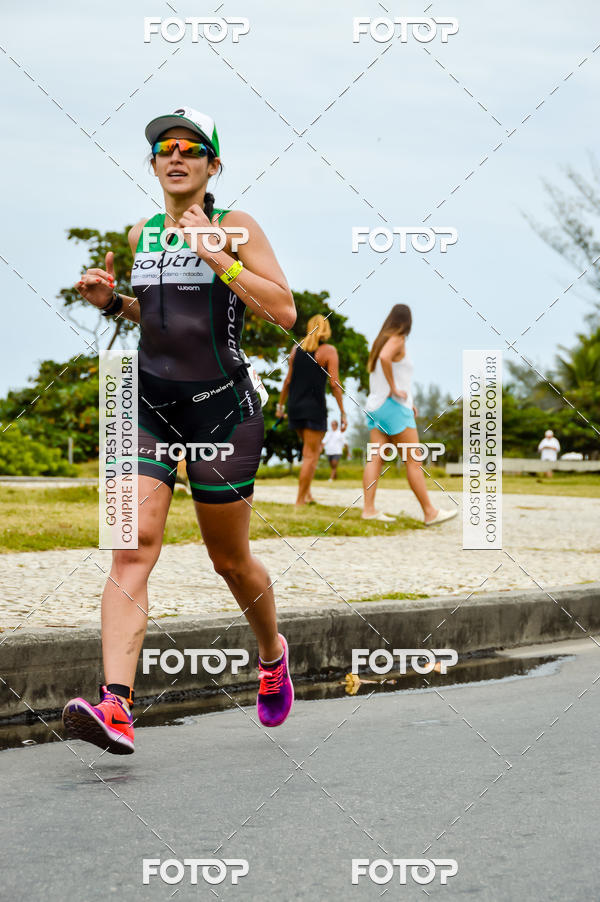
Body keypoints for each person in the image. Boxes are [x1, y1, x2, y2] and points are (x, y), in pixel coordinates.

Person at [62, 106, 296, 754]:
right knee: (131, 544)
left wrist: (219, 257)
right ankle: (116, 705)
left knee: (230, 561)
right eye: (164, 146)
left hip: (223, 408)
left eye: (191, 147)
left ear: (212, 165)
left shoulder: (235, 226)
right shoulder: (142, 232)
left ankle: (272, 655)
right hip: (146, 405)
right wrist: (112, 303)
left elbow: (282, 309)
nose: (175, 155)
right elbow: (163, 323)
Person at [362, 304, 457, 525]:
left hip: (377, 407)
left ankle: (368, 510)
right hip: (394, 407)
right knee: (414, 461)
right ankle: (430, 512)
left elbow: (386, 366)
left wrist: (407, 400)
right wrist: (396, 391)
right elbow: (387, 359)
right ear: (407, 321)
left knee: (375, 459)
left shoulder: (380, 340)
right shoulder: (397, 339)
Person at [277, 315, 347, 505]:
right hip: (314, 409)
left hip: (295, 407)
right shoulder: (328, 351)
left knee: (311, 453)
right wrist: (342, 412)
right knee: (311, 455)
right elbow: (334, 384)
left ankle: (307, 495)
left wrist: (280, 406)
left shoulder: (295, 349)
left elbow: (288, 380)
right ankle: (300, 500)